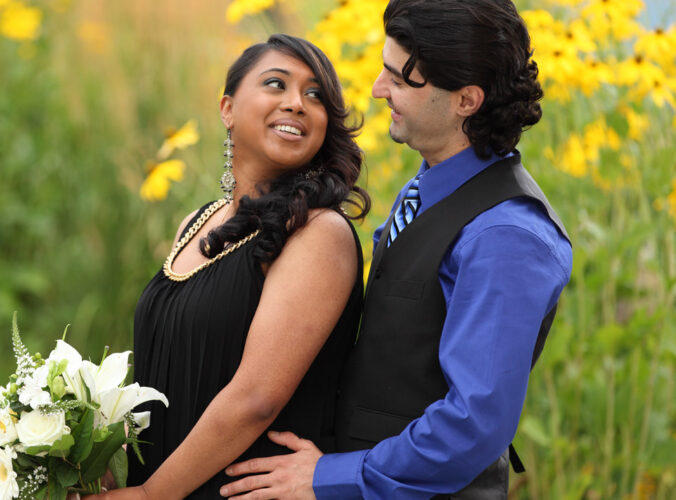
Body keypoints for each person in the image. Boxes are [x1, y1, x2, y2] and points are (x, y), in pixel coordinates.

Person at [220, 0, 573, 498]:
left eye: (401, 81)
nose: (377, 90)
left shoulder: (505, 236)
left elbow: (472, 427)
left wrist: (330, 477)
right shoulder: (430, 186)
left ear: (466, 101)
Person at [75, 34, 371, 499]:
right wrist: (106, 451)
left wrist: (153, 495)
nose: (297, 103)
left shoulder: (318, 234)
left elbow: (256, 399)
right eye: (277, 84)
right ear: (227, 109)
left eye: (315, 96)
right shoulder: (196, 222)